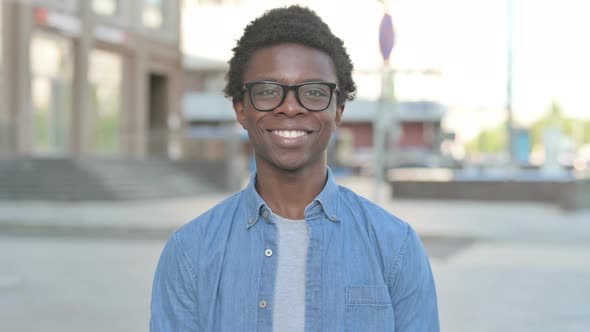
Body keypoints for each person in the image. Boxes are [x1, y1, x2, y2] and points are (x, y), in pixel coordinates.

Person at [150, 5, 439, 331]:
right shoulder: (190, 252)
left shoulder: (395, 245)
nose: (290, 107)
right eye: (268, 91)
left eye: (314, 92)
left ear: (338, 111)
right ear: (241, 110)